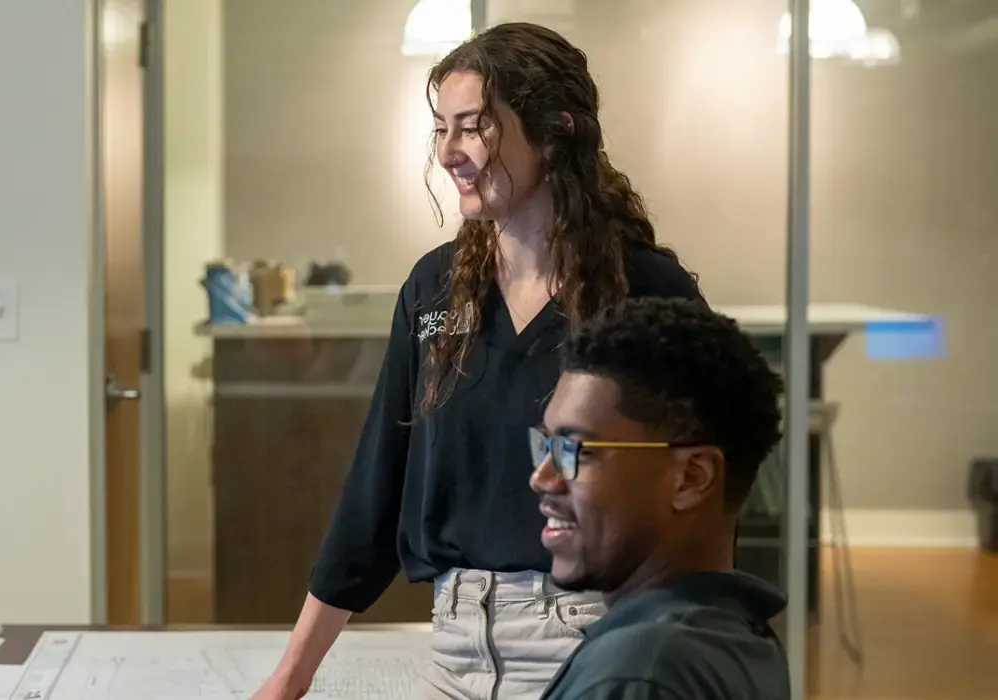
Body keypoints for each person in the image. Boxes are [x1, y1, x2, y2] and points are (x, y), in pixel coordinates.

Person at [253, 23, 704, 700]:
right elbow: (376, 491)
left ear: (554, 132)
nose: (449, 153)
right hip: (456, 647)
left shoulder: (647, 293)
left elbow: (700, 496)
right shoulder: (434, 290)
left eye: (473, 127)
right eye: (441, 129)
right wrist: (291, 677)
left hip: (596, 640)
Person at [532, 297, 789, 699]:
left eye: (576, 449)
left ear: (691, 478)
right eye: (547, 445)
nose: (542, 477)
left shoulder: (640, 672)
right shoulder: (736, 636)